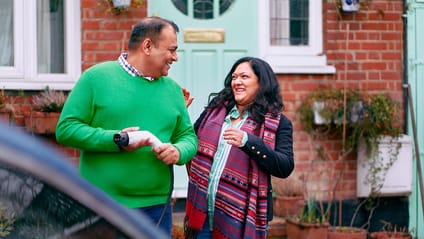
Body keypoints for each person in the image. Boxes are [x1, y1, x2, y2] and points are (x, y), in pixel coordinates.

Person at [55, 16, 198, 236]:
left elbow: (188, 137)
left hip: (156, 208)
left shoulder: (172, 90)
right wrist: (116, 139)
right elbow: (66, 129)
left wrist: (178, 151)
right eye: (171, 50)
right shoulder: (95, 78)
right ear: (147, 46)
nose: (175, 57)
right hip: (100, 204)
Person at [185, 57, 294, 239]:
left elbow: (284, 166)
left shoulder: (278, 123)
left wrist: (248, 141)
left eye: (244, 76)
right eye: (234, 77)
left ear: (261, 83)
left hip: (242, 221)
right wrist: (182, 113)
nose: (237, 82)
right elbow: (190, 143)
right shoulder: (214, 112)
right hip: (202, 215)